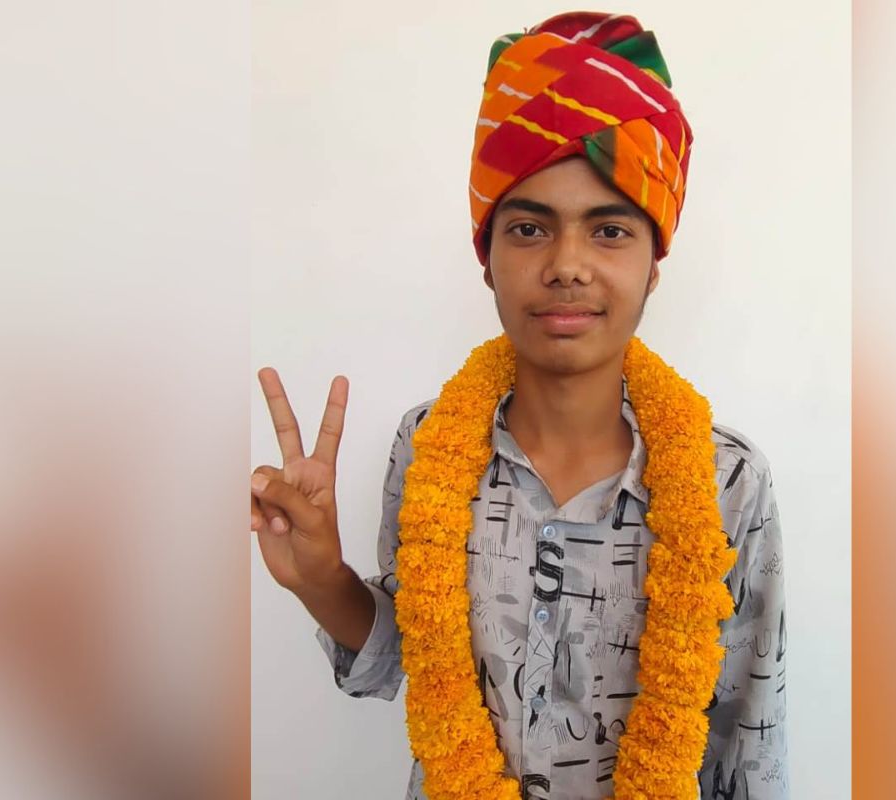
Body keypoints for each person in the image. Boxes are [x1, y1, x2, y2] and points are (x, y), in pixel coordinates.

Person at [251, 11, 788, 800]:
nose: (567, 265)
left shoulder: (729, 481)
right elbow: (406, 663)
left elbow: (751, 737)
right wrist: (320, 578)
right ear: (487, 258)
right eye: (531, 228)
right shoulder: (428, 445)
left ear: (654, 265)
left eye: (609, 231)